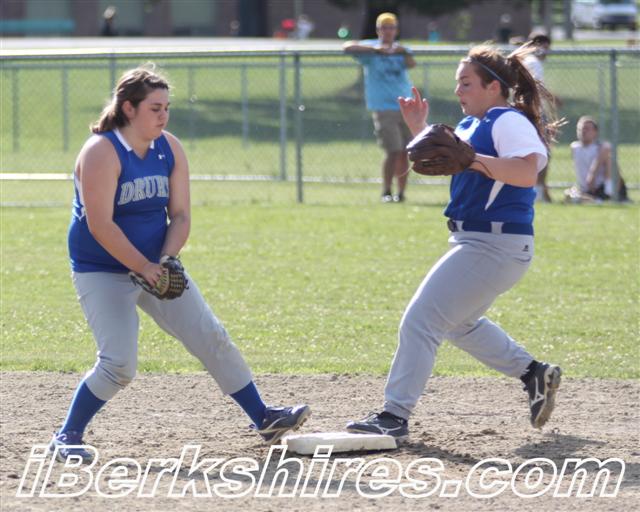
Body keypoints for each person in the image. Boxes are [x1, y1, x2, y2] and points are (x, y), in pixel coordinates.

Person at [50, 64, 310, 462]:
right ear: (128, 108)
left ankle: (263, 417)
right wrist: (144, 266)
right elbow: (100, 225)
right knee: (119, 364)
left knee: (210, 336)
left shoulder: (168, 147)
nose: (163, 116)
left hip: (156, 266)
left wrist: (167, 259)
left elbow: (181, 215)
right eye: (154, 108)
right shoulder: (102, 151)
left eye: (167, 107)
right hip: (102, 269)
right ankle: (67, 435)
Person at [346, 43, 563, 442]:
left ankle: (394, 415)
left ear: (493, 87)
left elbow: (526, 172)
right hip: (479, 241)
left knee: (421, 319)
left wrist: (473, 159)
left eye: (466, 83)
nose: (458, 91)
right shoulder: (472, 124)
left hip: (494, 243)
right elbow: (455, 159)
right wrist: (419, 129)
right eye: (457, 83)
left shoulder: (506, 120)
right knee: (458, 324)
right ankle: (534, 373)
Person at [343, 12, 416, 203]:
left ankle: (401, 193)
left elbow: (411, 64)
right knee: (392, 150)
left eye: (391, 27)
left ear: (396, 30)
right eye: (384, 27)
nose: (388, 31)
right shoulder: (371, 48)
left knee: (405, 152)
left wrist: (403, 52)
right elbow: (347, 47)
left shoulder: (401, 49)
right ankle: (386, 191)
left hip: (405, 106)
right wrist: (377, 50)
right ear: (378, 30)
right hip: (384, 108)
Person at [522, 33, 558, 203]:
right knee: (543, 151)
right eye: (545, 48)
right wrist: (552, 98)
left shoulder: (526, 61)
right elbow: (535, 87)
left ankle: (539, 189)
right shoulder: (533, 62)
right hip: (534, 113)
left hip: (528, 112)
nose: (547, 53)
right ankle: (539, 190)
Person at [566, 115, 628, 202]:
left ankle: (609, 193)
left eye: (587, 129)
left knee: (610, 158)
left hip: (599, 186)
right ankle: (596, 199)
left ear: (595, 132)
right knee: (569, 194)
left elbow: (608, 148)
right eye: (580, 129)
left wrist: (592, 175)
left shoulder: (600, 147)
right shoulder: (574, 147)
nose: (583, 131)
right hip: (586, 188)